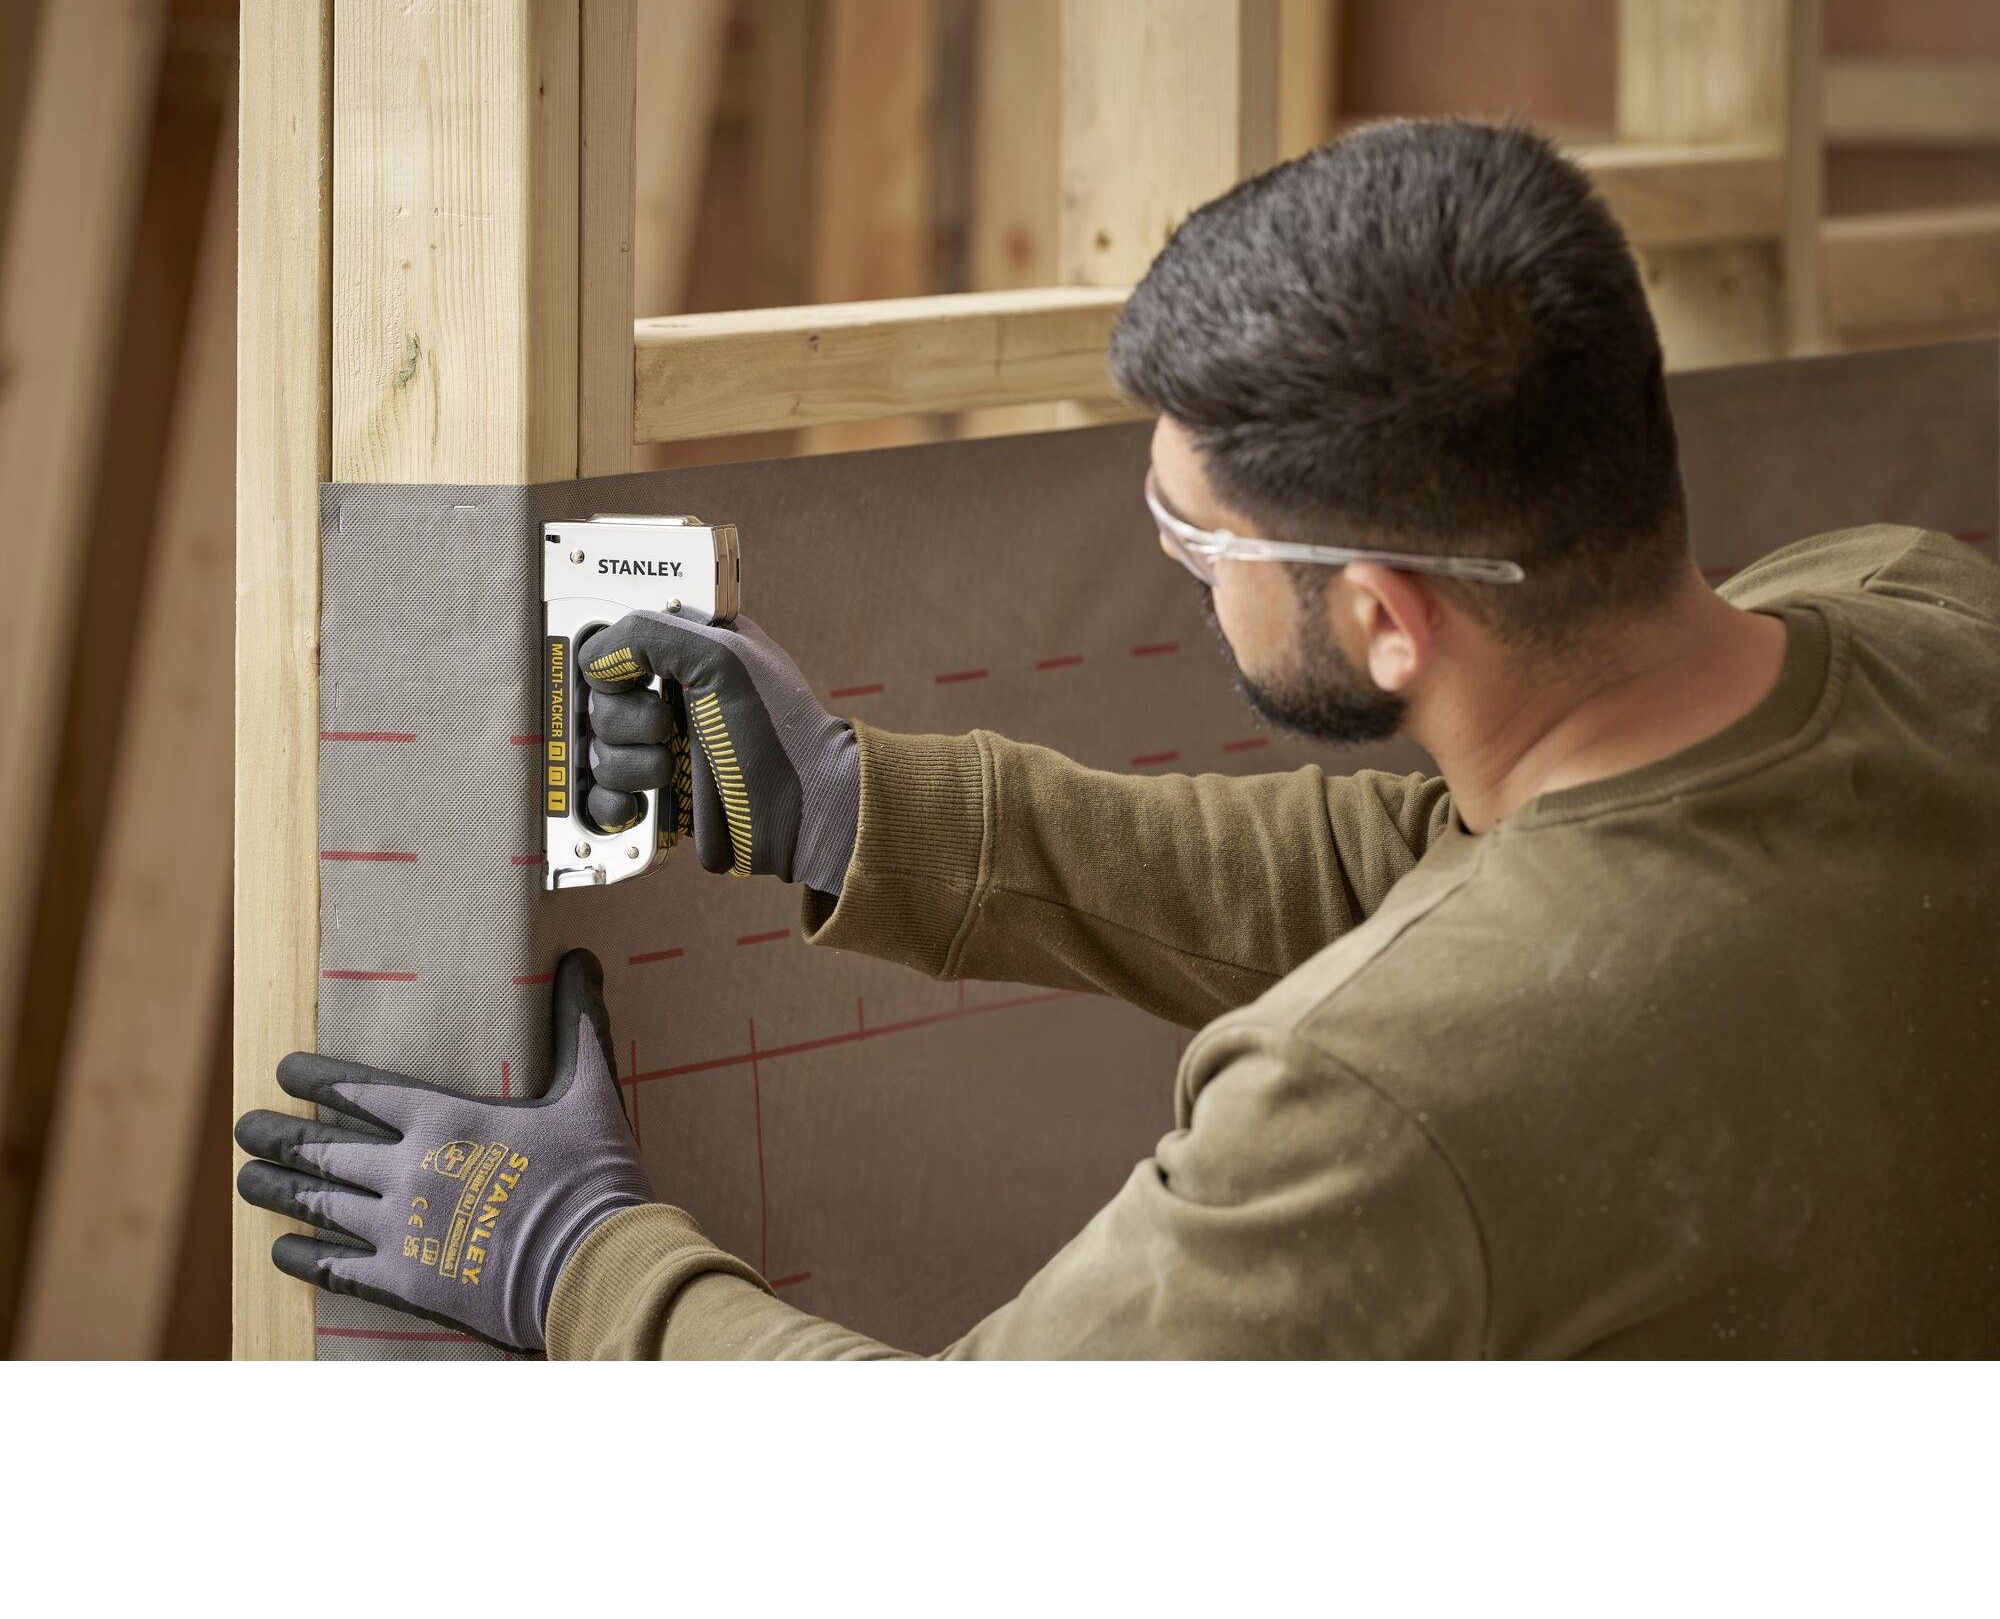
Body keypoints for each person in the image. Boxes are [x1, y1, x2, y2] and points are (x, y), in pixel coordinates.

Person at [237, 119, 2000, 1358]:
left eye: (1197, 544)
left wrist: (577, 1265)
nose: (1181, 572)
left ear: (1388, 614)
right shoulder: (1920, 618)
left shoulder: (1367, 1110)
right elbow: (1481, 876)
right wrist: (860, 814)